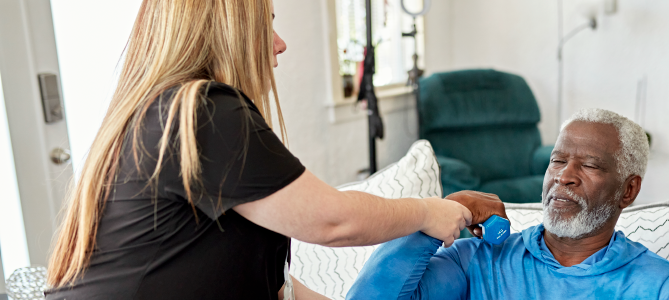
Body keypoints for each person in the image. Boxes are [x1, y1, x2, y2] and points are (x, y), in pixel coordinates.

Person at [44, 1, 502, 299]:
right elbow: (332, 220)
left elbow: (271, 283)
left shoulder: (163, 111)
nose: (280, 45)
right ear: (228, 32)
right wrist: (426, 212)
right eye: (268, 26)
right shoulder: (201, 111)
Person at [347, 108, 669, 299]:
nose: (564, 176)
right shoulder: (478, 259)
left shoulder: (659, 287)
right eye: (557, 161)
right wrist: (438, 212)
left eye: (589, 165)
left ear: (628, 190)